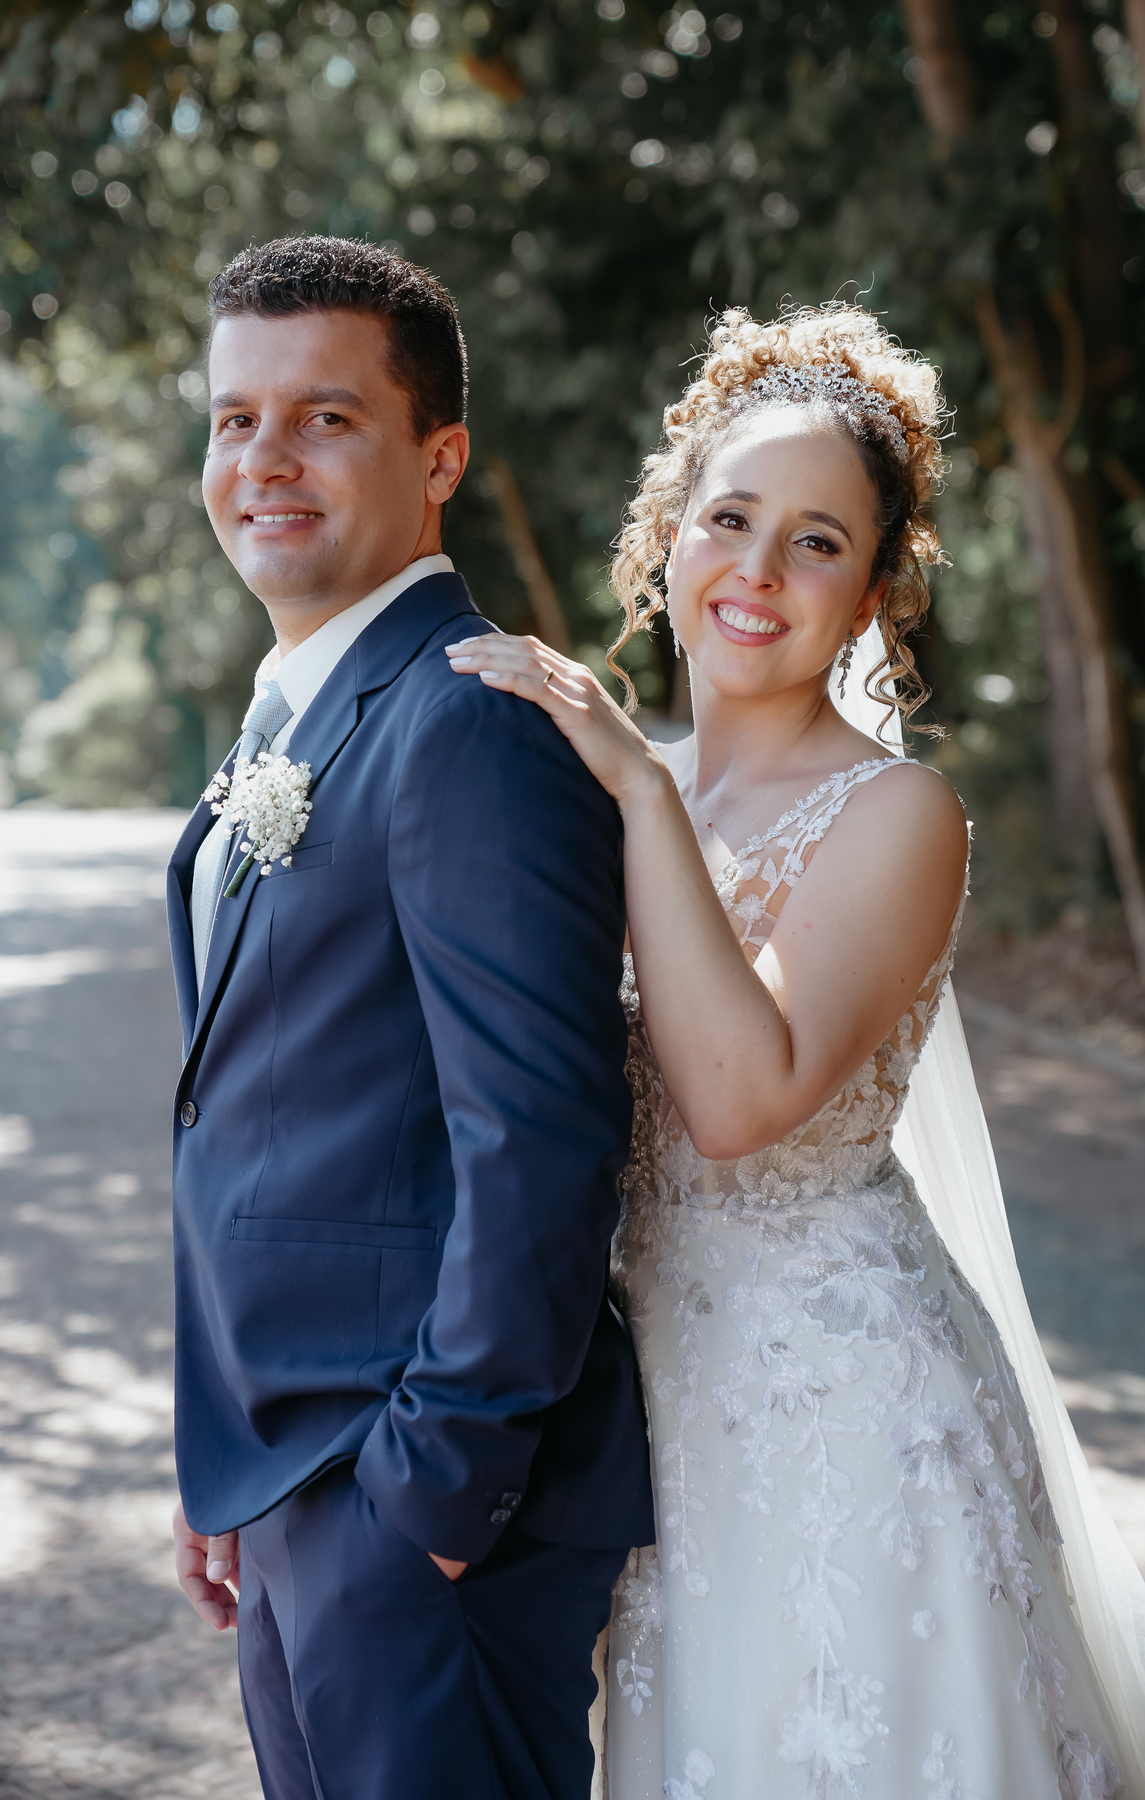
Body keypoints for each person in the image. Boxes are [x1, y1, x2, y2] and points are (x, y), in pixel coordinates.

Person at [446, 304, 1145, 1800]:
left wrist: (639, 798)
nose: (759, 570)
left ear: (871, 598)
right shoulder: (615, 786)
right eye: (731, 519)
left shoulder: (896, 816)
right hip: (661, 1422)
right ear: (668, 535)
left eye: (818, 543)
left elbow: (740, 1100)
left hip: (852, 1421)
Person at [165, 234, 654, 1800]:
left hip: (424, 1499)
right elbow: (259, 1111)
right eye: (235, 420)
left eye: (325, 418)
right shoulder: (298, 713)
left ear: (440, 457)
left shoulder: (467, 722)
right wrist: (227, 1448)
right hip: (294, 1467)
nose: (265, 460)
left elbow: (543, 1139)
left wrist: (435, 1496)